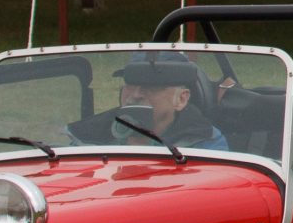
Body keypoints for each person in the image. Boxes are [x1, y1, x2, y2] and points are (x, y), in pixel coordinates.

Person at [70, 55, 229, 152]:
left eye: (151, 87)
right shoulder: (89, 134)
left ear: (181, 99)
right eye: (131, 84)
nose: (135, 95)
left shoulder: (205, 141)